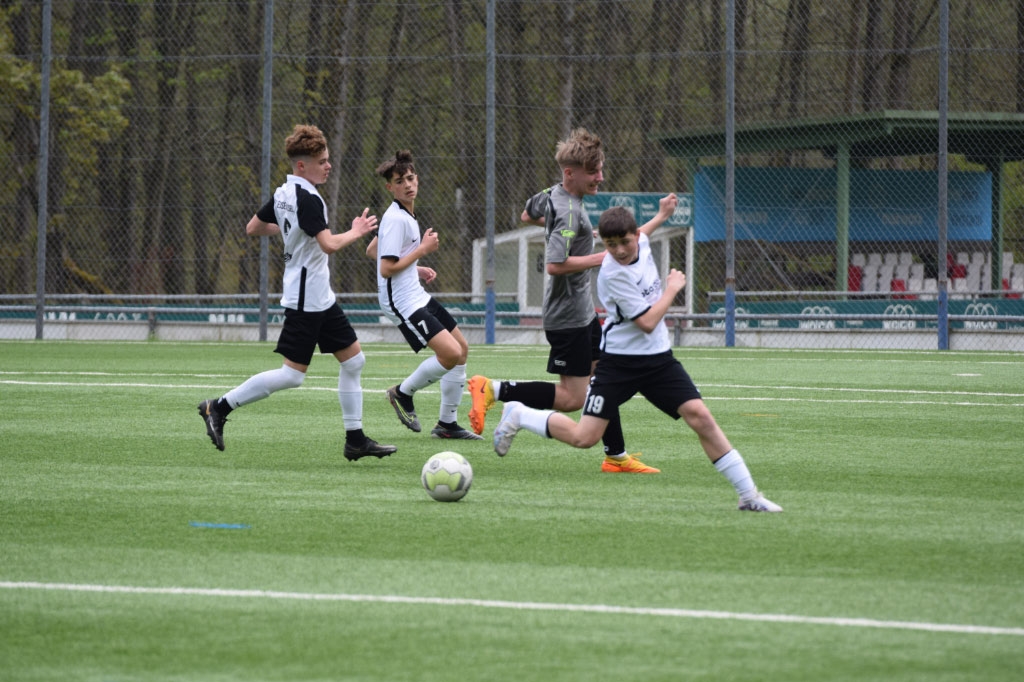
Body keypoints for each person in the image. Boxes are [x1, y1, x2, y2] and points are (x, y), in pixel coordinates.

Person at [491, 207, 782, 512]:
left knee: (700, 416)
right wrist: (672, 289)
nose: (618, 250)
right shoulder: (613, 274)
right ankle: (520, 414)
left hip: (658, 361)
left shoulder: (641, 240)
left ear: (635, 236)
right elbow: (647, 322)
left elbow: (645, 231)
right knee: (584, 438)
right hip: (619, 364)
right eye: (610, 244)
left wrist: (662, 214)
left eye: (624, 242)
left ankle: (748, 496)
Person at [467, 127, 679, 473]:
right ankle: (495, 390)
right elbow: (554, 265)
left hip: (582, 313)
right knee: (572, 399)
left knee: (603, 379)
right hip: (567, 316)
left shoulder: (555, 195)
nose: (600, 177)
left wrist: (582, 233)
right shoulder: (569, 212)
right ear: (571, 173)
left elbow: (527, 215)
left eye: (600, 169)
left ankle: (616, 456)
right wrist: (601, 256)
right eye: (593, 172)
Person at [197, 124, 396, 461]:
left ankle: (356, 440)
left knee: (354, 361)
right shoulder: (308, 198)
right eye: (322, 161)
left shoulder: (284, 192)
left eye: (328, 159)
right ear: (301, 165)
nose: (328, 165)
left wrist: (293, 232)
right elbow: (329, 244)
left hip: (320, 296)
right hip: (306, 299)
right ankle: (218, 407)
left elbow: (254, 227)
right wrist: (357, 230)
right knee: (292, 376)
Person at [369, 149, 481, 440]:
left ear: (416, 178)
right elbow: (385, 268)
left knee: (461, 349)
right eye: (399, 181)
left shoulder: (405, 214)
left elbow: (373, 250)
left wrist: (414, 268)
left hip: (414, 293)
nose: (407, 184)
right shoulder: (397, 219)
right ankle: (402, 393)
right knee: (450, 353)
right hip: (401, 301)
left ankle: (447, 424)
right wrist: (421, 251)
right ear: (390, 187)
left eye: (410, 178)